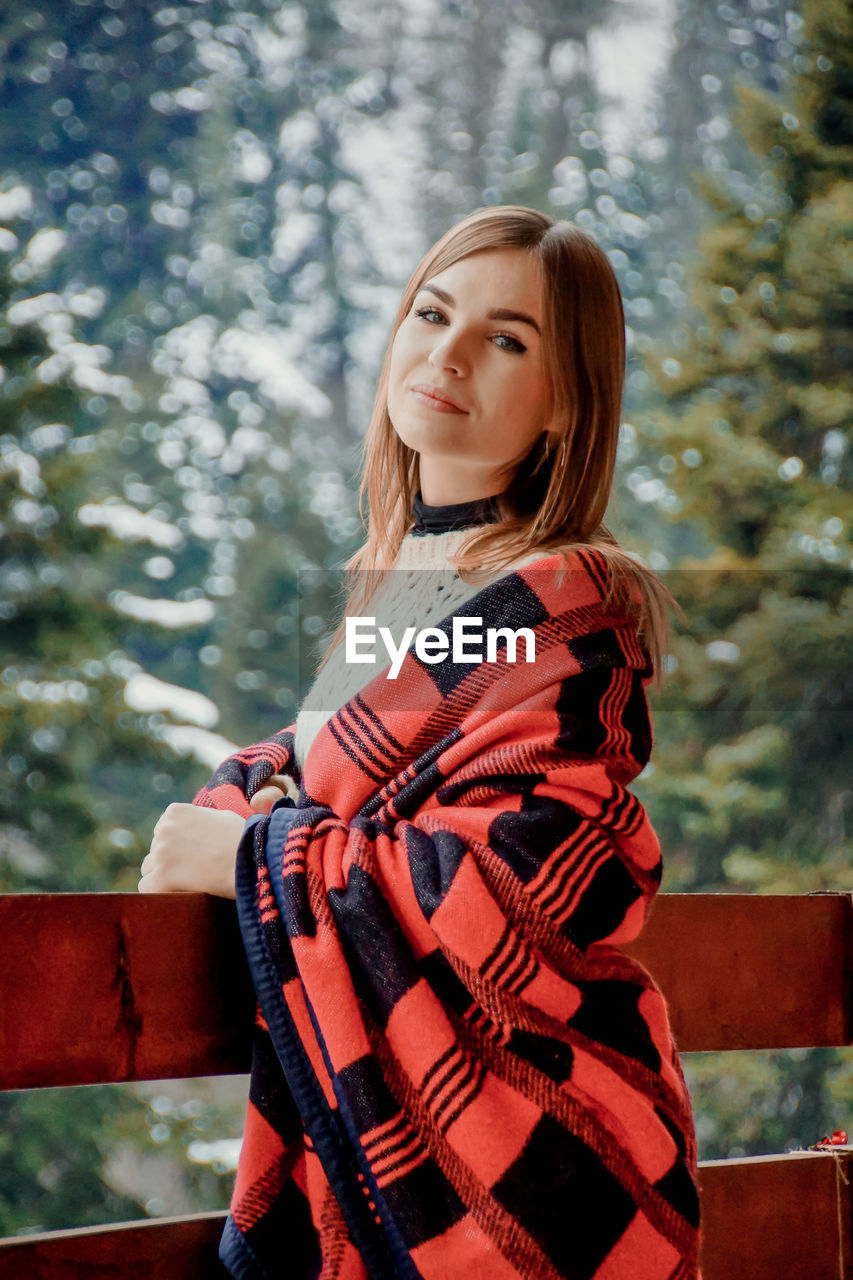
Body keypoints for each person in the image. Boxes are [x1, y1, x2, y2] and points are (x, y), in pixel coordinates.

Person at [140, 205, 701, 1279]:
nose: (446, 353)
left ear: (564, 401)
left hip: (537, 1167)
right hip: (408, 1150)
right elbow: (323, 774)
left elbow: (530, 868)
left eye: (505, 338)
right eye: (431, 313)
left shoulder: (557, 596)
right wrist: (256, 799)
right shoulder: (398, 585)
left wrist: (254, 855)